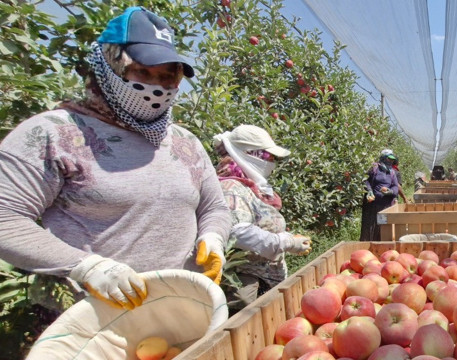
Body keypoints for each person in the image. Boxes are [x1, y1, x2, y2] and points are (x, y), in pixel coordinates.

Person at [0, 7, 231, 310]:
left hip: (186, 307)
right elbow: (5, 219)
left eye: (166, 77)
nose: (156, 87)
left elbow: (214, 207)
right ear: (109, 64)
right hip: (100, 317)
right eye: (143, 73)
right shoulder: (55, 134)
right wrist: (86, 266)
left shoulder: (186, 143)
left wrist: (213, 236)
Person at [213, 125, 311, 305]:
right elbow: (237, 232)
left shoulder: (251, 185)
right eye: (269, 156)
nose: (272, 162)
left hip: (263, 279)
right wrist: (285, 242)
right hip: (244, 286)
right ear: (252, 154)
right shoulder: (230, 188)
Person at [360, 150, 400, 241]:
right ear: (383, 158)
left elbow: (395, 186)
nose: (390, 161)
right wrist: (369, 190)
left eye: (392, 160)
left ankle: (382, 247)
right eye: (388, 159)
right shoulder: (374, 168)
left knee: (383, 228)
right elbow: (365, 180)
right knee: (370, 227)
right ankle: (368, 246)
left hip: (386, 205)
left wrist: (390, 191)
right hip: (372, 205)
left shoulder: (392, 172)